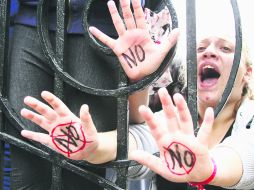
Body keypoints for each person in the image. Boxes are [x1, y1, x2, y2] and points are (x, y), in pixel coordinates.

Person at [19, 0, 254, 190]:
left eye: (225, 48)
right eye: (200, 49)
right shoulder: (173, 120)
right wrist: (92, 147)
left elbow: (246, 156)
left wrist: (210, 168)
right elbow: (132, 141)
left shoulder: (250, 120)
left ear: (247, 72)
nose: (209, 53)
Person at [4, 0, 178, 189]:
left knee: (83, 165)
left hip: (102, 25)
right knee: (25, 164)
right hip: (32, 18)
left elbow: (135, 123)